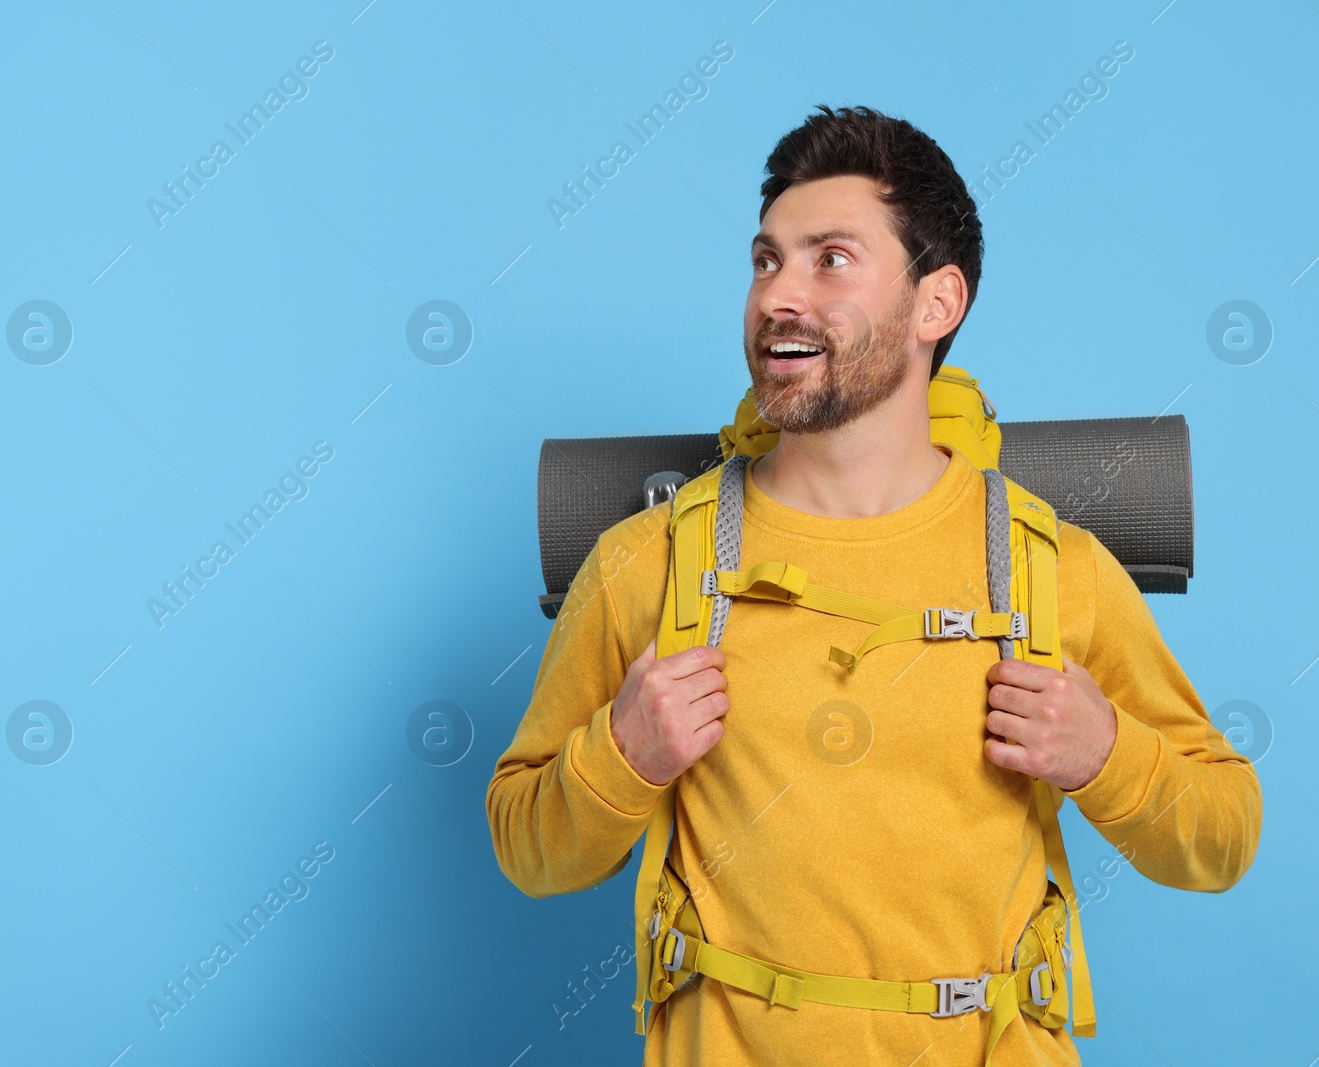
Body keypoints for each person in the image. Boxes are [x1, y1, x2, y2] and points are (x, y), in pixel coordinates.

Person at [486, 104, 1262, 1066]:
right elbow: (527, 847)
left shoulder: (1050, 568)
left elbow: (1223, 837)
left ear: (937, 304)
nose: (780, 294)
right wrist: (624, 755)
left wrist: (1106, 755)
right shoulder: (646, 563)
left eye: (831, 259)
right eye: (767, 260)